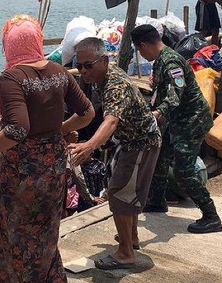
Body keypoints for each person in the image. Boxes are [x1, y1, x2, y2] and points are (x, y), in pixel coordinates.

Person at [0, 15, 94, 283]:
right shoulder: (59, 72)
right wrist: (58, 131)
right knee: (46, 241)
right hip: (53, 169)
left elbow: (18, 129)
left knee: (12, 244)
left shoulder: (12, 77)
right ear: (36, 41)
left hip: (21, 174)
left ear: (10, 44)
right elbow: (88, 112)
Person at [68, 37, 161, 268]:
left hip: (140, 143)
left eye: (88, 65)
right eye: (79, 66)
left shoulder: (115, 84)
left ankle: (126, 253)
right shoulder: (100, 78)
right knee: (127, 191)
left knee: (118, 194)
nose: (83, 71)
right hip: (128, 141)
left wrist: (90, 146)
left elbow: (110, 121)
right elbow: (89, 113)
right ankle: (133, 237)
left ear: (105, 60)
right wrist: (60, 129)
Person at [131, 24, 222, 233]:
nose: (140, 54)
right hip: (176, 120)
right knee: (160, 157)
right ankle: (156, 200)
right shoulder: (159, 61)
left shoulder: (171, 61)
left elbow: (175, 93)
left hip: (191, 120)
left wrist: (158, 113)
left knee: (184, 171)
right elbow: (160, 93)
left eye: (138, 50)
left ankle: (211, 216)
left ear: (144, 45)